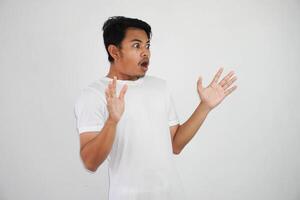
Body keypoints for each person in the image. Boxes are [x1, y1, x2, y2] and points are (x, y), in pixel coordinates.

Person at [74, 16, 238, 200]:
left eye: (147, 45)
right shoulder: (93, 95)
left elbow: (175, 145)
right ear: (114, 51)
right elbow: (90, 162)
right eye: (137, 46)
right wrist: (112, 121)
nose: (146, 53)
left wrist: (205, 106)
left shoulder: (159, 87)